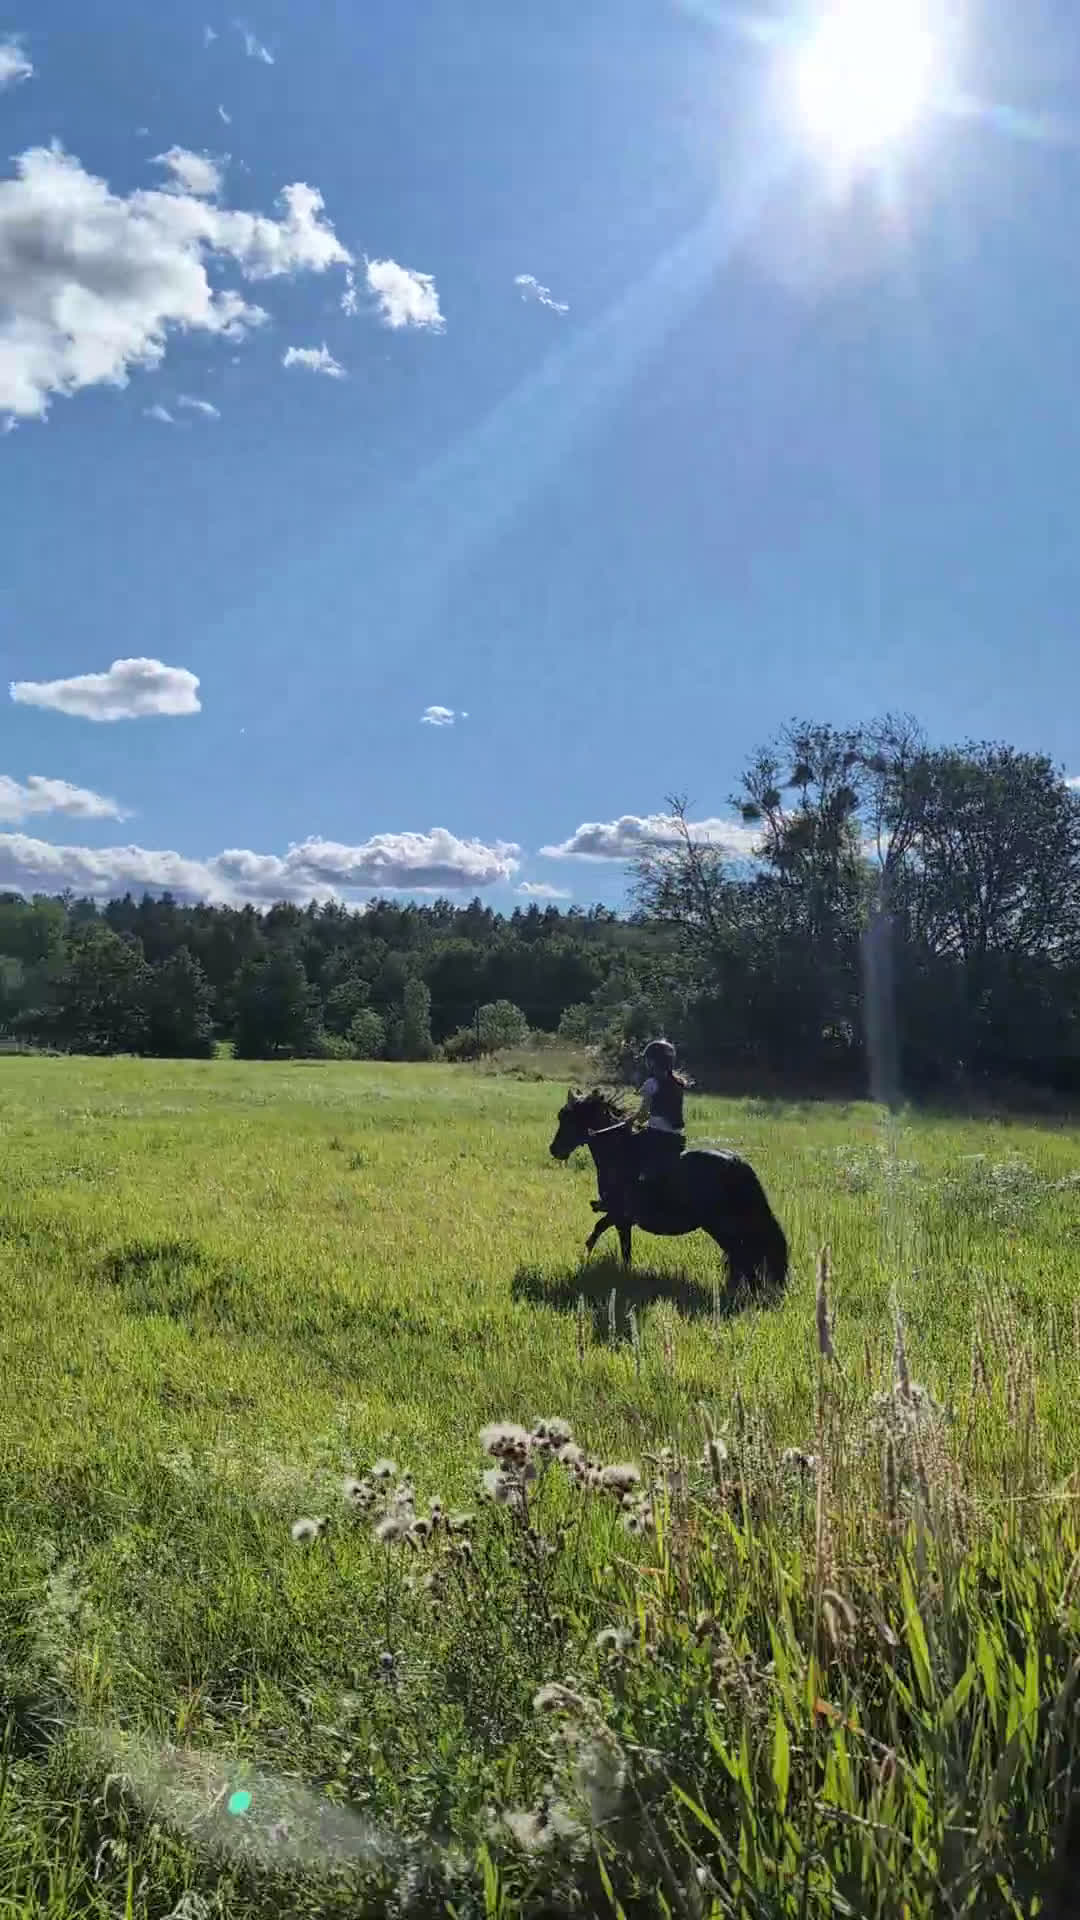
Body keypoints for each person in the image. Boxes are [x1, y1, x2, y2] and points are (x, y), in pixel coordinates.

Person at [632, 1038, 689, 1198]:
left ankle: (635, 1193)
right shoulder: (679, 1083)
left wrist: (627, 1121)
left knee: (626, 1152)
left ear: (652, 1062)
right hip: (676, 1139)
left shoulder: (651, 1083)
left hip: (656, 1138)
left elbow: (642, 1116)